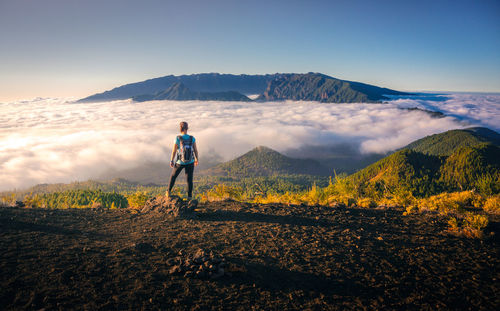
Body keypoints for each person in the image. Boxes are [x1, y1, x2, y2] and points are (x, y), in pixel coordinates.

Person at [166, 121, 199, 200]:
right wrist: (197, 159)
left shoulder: (177, 138)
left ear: (180, 128)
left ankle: (168, 192)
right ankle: (189, 197)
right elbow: (195, 150)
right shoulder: (192, 138)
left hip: (180, 162)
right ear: (187, 128)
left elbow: (174, 151)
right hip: (190, 162)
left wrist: (171, 160)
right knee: (189, 179)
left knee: (173, 176)